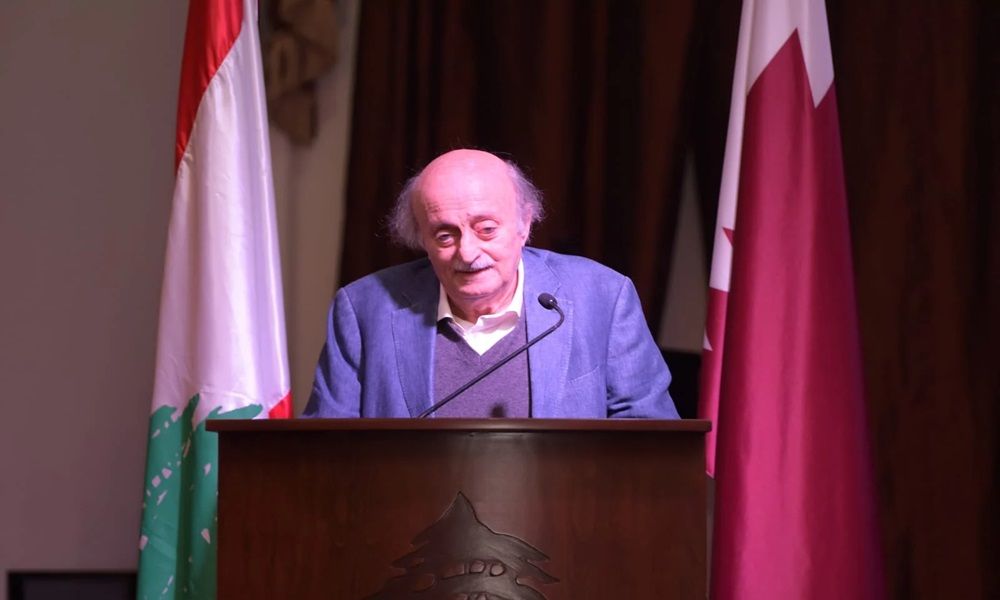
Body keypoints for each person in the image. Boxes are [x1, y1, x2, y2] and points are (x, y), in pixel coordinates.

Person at [303, 149, 679, 419]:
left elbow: (650, 445)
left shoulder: (602, 296)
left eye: (486, 229)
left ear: (524, 224)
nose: (467, 253)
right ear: (421, 239)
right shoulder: (363, 309)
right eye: (444, 235)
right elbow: (328, 454)